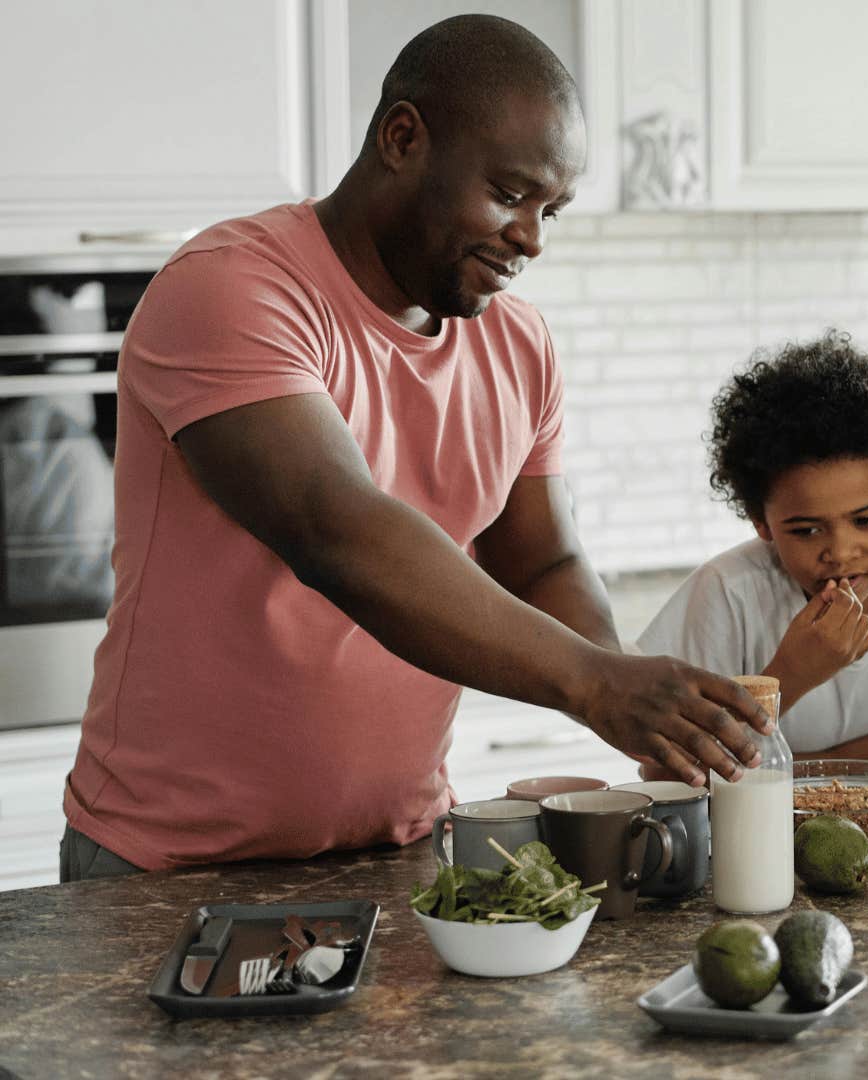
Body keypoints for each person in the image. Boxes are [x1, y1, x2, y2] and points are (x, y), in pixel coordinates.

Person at [59, 15, 768, 881]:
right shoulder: (230, 289)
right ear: (402, 138)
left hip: (400, 850)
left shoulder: (518, 343)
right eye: (510, 194)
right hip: (170, 865)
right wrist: (593, 683)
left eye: (552, 210)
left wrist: (636, 705)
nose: (533, 238)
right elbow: (339, 532)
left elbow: (543, 561)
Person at [637, 331, 868, 764]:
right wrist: (792, 675)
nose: (840, 552)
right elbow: (663, 769)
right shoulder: (726, 593)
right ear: (760, 520)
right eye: (806, 530)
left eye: (867, 520)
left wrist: (787, 779)